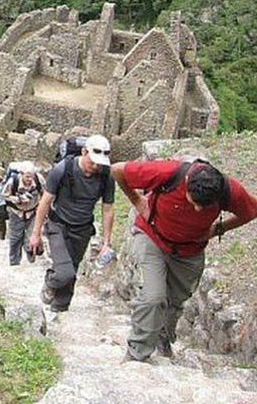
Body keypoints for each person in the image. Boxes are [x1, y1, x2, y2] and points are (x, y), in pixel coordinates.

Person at [111, 158, 257, 362]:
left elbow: (251, 210)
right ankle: (137, 353)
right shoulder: (166, 172)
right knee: (153, 297)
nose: (198, 209)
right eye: (194, 202)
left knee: (175, 301)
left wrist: (217, 230)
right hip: (152, 236)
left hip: (189, 250)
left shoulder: (230, 191)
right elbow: (118, 170)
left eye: (205, 206)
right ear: (187, 184)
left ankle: (163, 339)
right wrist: (137, 201)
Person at [28, 135, 115, 312]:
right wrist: (35, 233)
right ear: (84, 152)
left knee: (72, 270)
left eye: (100, 163)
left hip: (82, 229)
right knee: (64, 272)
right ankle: (50, 282)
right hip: (58, 225)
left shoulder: (106, 176)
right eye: (93, 162)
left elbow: (107, 209)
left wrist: (106, 242)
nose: (96, 166)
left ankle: (59, 308)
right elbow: (45, 202)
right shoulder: (63, 169)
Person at [3, 161, 45, 265]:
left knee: (32, 236)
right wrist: (18, 199)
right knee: (15, 237)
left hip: (33, 212)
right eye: (27, 177)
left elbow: (45, 193)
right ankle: (14, 262)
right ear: (21, 174)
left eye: (31, 176)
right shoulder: (13, 182)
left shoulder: (39, 180)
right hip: (16, 212)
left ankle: (31, 257)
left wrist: (42, 206)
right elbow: (4, 195)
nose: (29, 179)